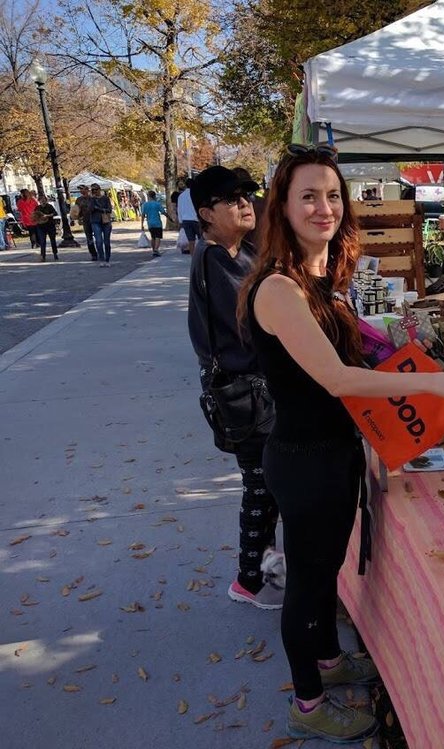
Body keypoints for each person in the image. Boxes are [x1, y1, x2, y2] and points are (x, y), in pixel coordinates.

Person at [237, 145, 444, 743]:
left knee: (324, 572)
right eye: (308, 195)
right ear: (283, 206)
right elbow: (337, 379)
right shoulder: (279, 288)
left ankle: (328, 659)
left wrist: (403, 347)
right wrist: (436, 381)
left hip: (333, 452)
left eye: (332, 195)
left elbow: (356, 353)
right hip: (304, 460)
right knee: (307, 582)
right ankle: (307, 703)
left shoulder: (321, 279)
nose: (323, 206)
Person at [186, 166, 284, 611]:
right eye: (232, 199)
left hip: (255, 392)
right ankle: (248, 581)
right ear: (206, 213)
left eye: (246, 194)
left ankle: (264, 561)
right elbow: (254, 327)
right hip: (245, 396)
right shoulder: (214, 259)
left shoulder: (240, 249)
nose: (245, 203)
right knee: (260, 488)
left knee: (268, 485)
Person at [89, 183, 114, 267]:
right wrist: (92, 199)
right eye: (93, 190)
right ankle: (101, 259)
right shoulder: (91, 199)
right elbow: (90, 209)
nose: (95, 191)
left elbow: (109, 209)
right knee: (99, 241)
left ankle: (107, 259)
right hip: (95, 221)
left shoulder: (105, 198)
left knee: (107, 242)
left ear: (99, 189)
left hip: (106, 221)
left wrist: (99, 209)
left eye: (96, 189)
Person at [140, 190, 167, 257]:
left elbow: (143, 215)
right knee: (158, 237)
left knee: (153, 237)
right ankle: (156, 250)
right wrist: (169, 217)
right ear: (154, 196)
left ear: (148, 196)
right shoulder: (157, 204)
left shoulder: (145, 205)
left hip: (150, 223)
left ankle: (153, 250)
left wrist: (142, 224)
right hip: (157, 223)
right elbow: (163, 212)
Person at [75, 185, 98, 261]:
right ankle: (93, 254)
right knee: (89, 238)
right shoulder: (79, 200)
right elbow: (77, 210)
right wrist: (77, 216)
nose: (81, 191)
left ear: (87, 190)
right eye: (80, 189)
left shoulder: (93, 198)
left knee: (98, 237)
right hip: (86, 221)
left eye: (82, 189)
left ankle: (100, 251)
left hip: (95, 219)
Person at [33, 194, 58, 261]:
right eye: (41, 200)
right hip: (41, 226)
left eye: (44, 200)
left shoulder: (49, 206)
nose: (43, 201)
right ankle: (43, 256)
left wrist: (48, 215)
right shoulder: (37, 208)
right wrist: (35, 219)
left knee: (53, 240)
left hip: (50, 225)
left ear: (46, 200)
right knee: (42, 241)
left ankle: (55, 253)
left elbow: (55, 213)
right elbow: (34, 216)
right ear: (39, 201)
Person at [177, 182, 199, 254]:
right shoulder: (196, 194)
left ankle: (193, 257)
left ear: (186, 185)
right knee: (201, 239)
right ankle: (200, 255)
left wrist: (180, 221)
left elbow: (179, 208)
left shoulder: (181, 196)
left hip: (186, 220)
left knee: (191, 241)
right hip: (196, 219)